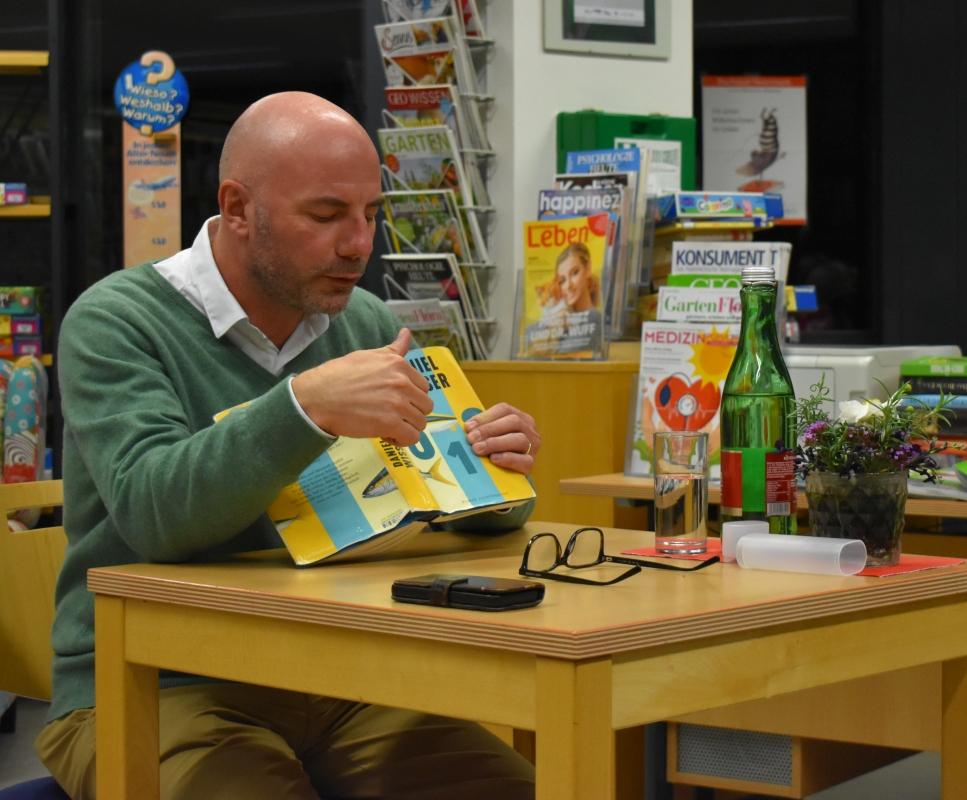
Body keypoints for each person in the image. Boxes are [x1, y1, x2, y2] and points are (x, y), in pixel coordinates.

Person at [36, 92, 540, 799]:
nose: (359, 245)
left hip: (337, 672)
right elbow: (154, 513)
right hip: (151, 679)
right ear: (238, 209)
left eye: (371, 214)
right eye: (327, 215)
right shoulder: (116, 321)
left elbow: (421, 489)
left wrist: (493, 472)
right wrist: (305, 407)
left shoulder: (359, 319)